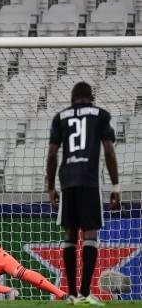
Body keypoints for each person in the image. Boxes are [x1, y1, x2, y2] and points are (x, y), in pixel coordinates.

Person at [46, 81, 120, 306]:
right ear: (91, 96)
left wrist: (51, 187)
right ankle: (85, 294)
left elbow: (51, 155)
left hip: (67, 179)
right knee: (90, 235)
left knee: (70, 235)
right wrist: (115, 186)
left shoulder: (60, 117)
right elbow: (108, 150)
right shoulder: (101, 115)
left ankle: (70, 294)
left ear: (72, 97)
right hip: (89, 180)